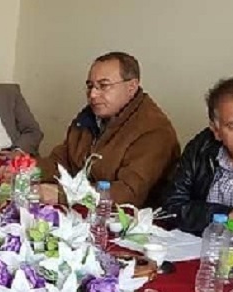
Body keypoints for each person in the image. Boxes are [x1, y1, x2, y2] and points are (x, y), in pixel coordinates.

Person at [31, 52, 179, 207]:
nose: (93, 94)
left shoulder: (154, 131)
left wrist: (64, 195)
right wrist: (27, 170)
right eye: (90, 86)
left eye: (104, 86)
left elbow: (127, 193)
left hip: (127, 217)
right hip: (82, 211)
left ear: (131, 87)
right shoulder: (90, 118)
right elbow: (61, 163)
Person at [164, 75, 233, 259]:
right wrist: (230, 217)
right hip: (198, 259)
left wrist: (206, 224)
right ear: (217, 131)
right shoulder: (202, 147)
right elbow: (170, 210)